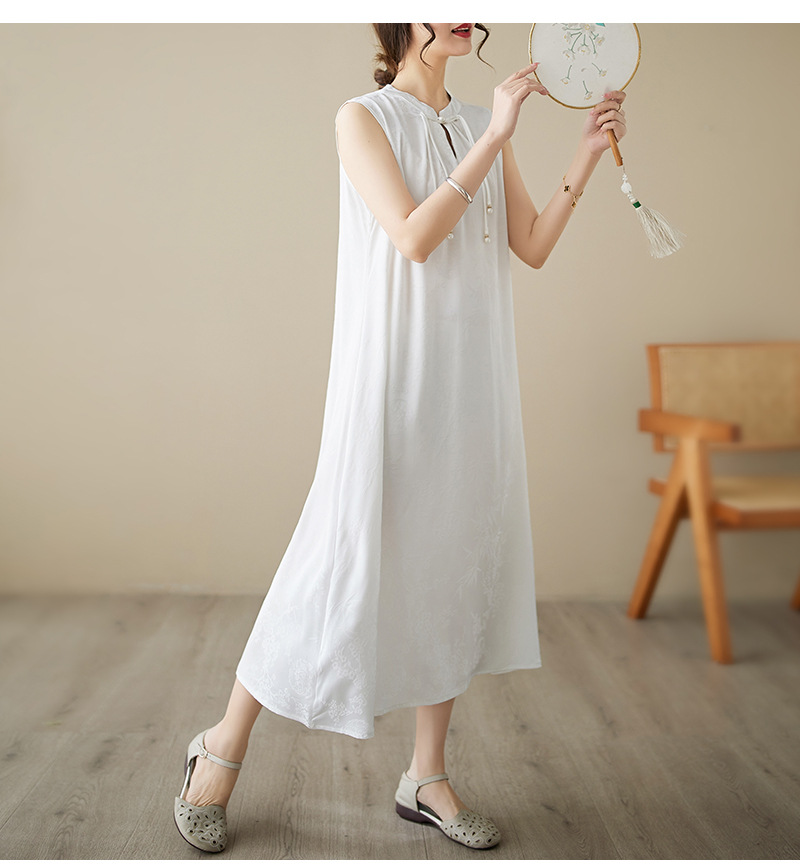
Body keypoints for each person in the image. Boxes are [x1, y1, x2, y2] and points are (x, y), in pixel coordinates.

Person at [173, 22, 627, 854]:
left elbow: (530, 244)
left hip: (470, 380)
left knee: (449, 561)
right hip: (389, 379)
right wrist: (495, 137)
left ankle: (425, 774)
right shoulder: (362, 118)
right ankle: (221, 745)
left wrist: (586, 156)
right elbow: (414, 237)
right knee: (333, 558)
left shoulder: (477, 120)